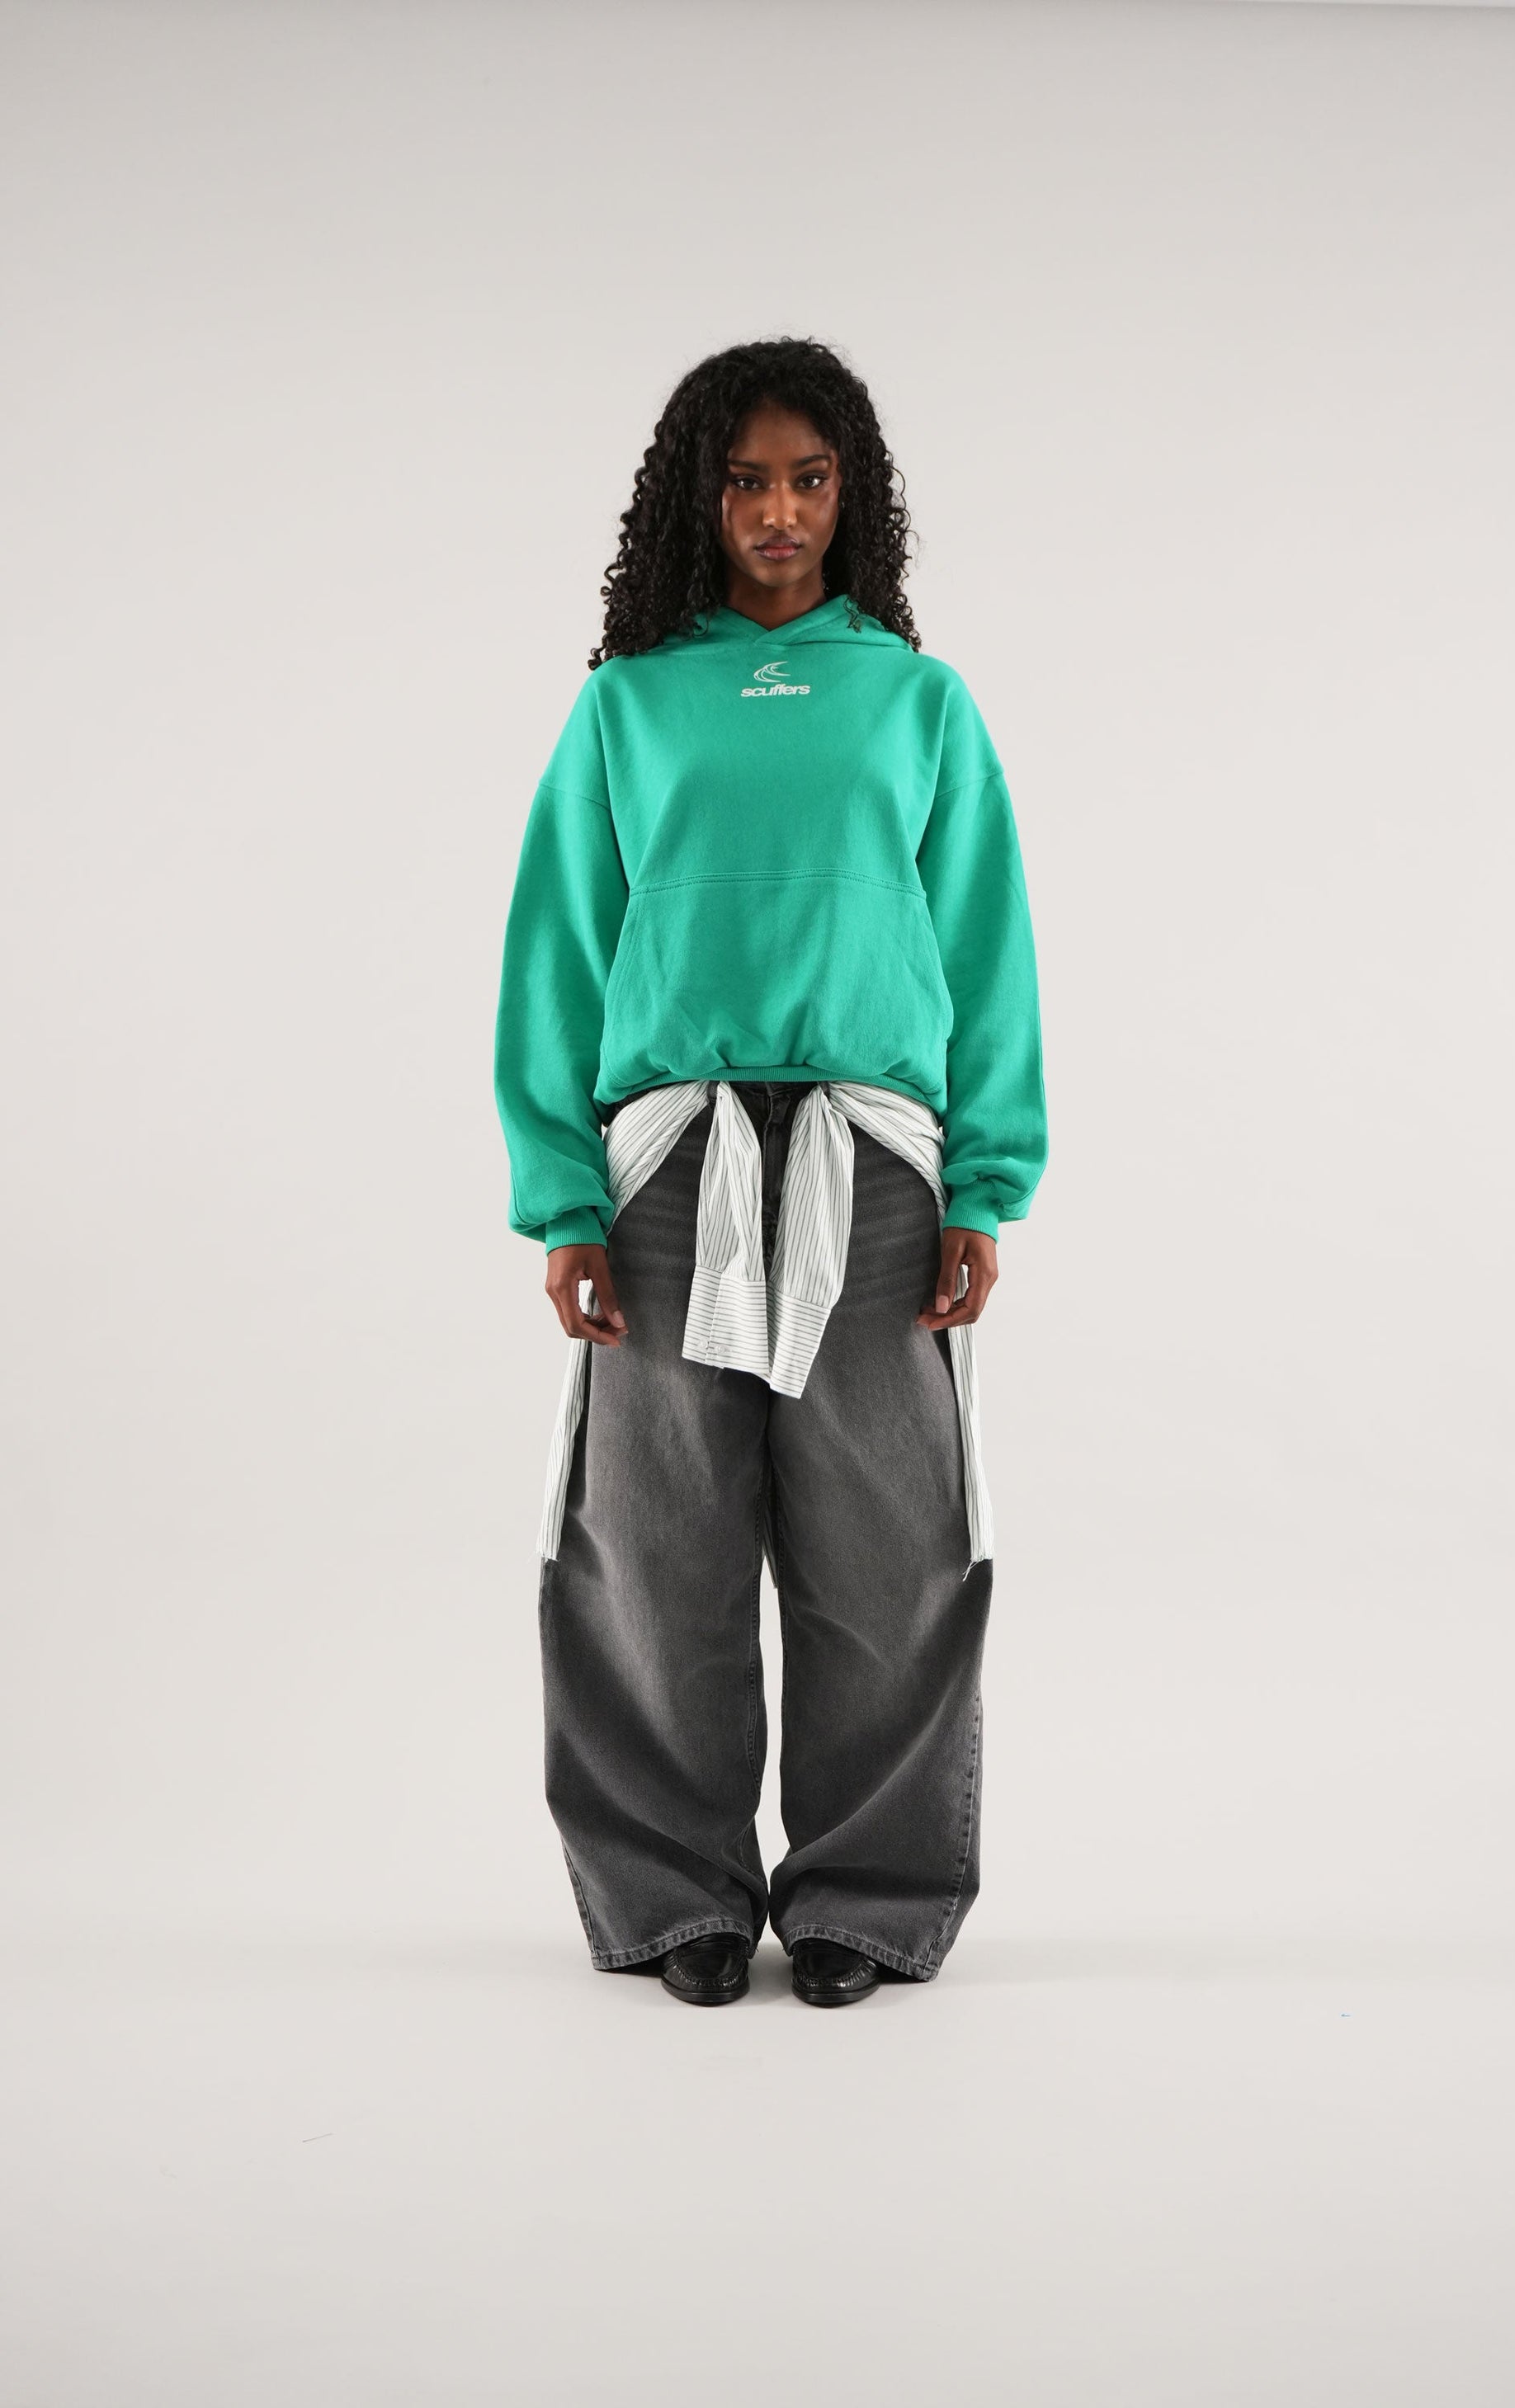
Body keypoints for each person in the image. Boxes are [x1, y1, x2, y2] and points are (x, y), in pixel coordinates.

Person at [493, 337, 1047, 2008]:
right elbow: (557, 948)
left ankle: (868, 1895)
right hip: (669, 1167)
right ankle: (675, 1891)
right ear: (699, 497)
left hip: (874, 1167)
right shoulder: (627, 702)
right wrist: (563, 1196)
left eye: (809, 479)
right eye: (746, 481)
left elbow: (985, 950)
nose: (779, 512)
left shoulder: (920, 702)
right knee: (653, 1539)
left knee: (889, 1547)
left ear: (851, 494)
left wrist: (982, 1184)